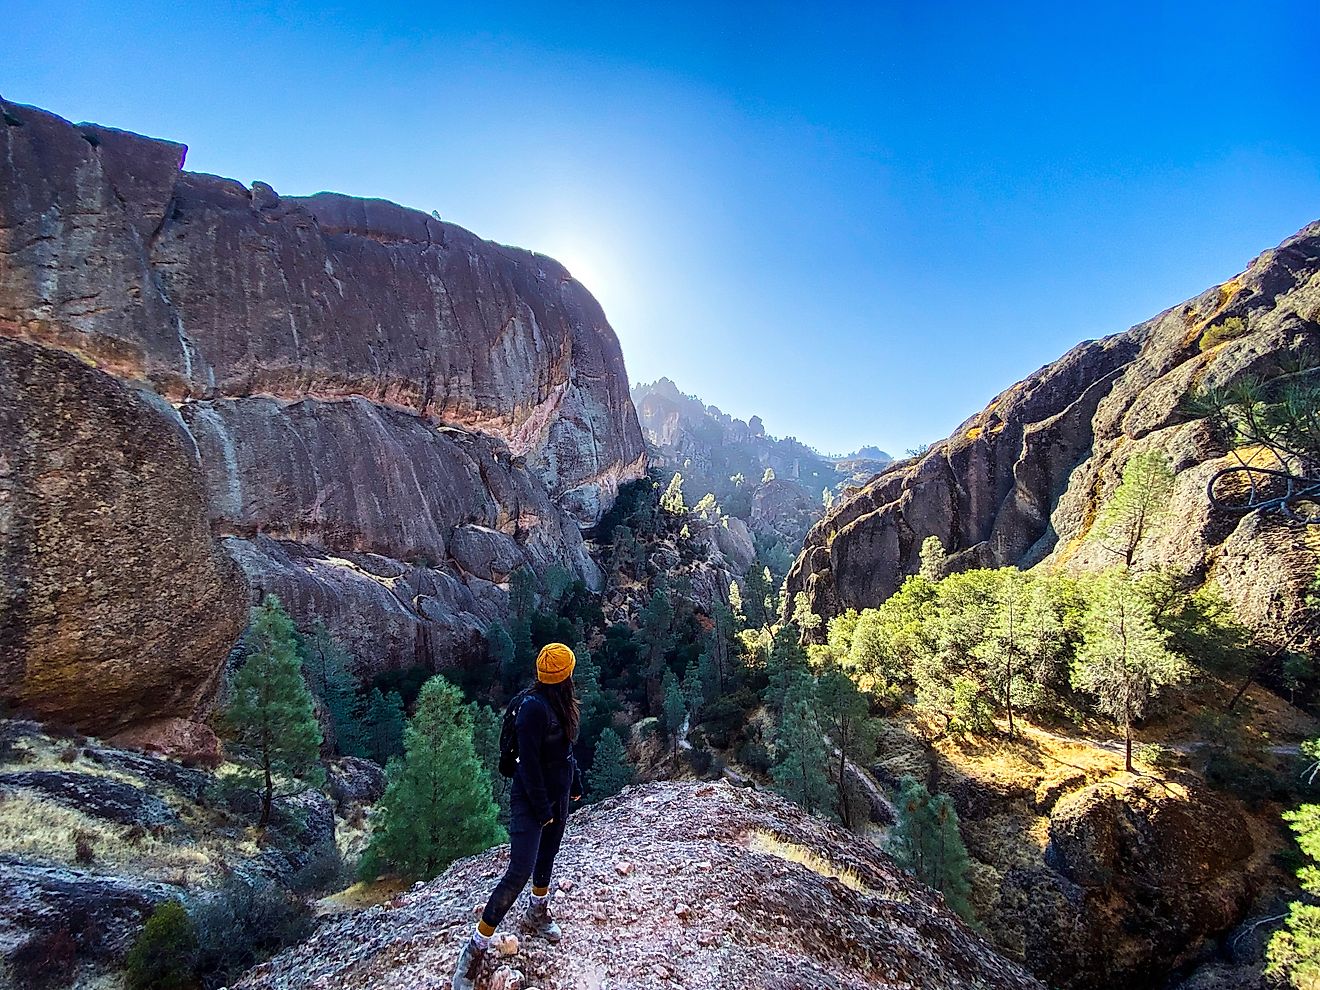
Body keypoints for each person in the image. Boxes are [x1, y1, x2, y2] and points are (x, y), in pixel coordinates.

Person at [453, 642, 583, 990]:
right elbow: (527, 766)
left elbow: (565, 750)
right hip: (532, 800)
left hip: (556, 793)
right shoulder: (533, 711)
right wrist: (543, 810)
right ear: (563, 677)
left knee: (548, 855)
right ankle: (473, 953)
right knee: (518, 872)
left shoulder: (559, 704)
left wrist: (575, 783)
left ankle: (537, 912)